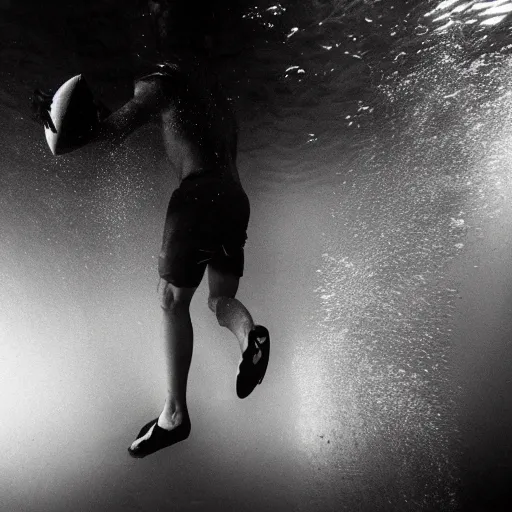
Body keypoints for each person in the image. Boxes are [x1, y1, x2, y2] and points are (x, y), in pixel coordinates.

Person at [31, 11, 270, 459]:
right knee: (219, 300)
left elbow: (114, 128)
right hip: (236, 200)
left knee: (170, 299)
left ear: (164, 38)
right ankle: (249, 337)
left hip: (197, 197)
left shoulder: (158, 80)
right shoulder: (215, 96)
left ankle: (175, 414)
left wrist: (59, 122)